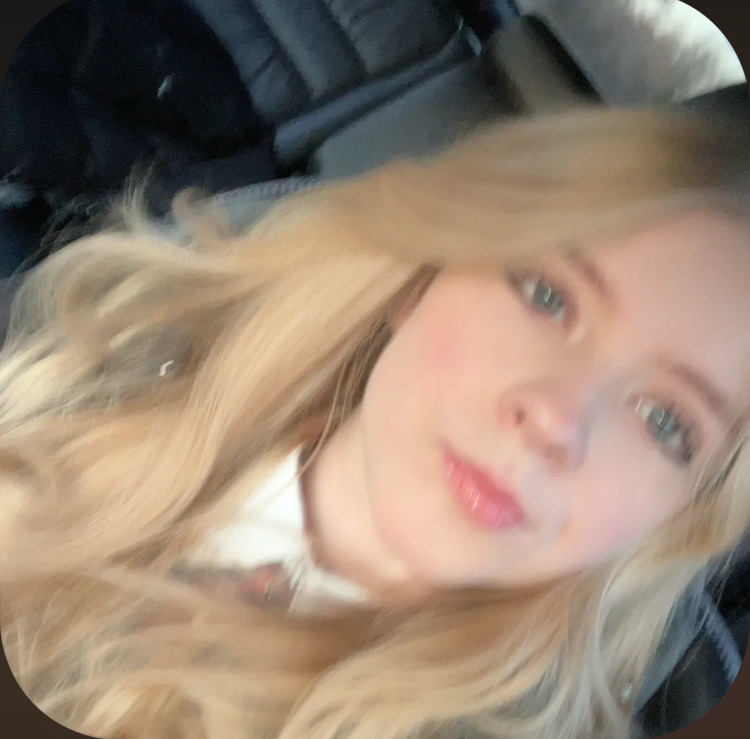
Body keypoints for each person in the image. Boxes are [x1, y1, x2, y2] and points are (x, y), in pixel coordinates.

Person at [1, 106, 749, 739]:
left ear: (683, 515)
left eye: (665, 421)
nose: (557, 423)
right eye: (547, 297)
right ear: (424, 273)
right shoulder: (112, 359)